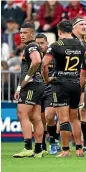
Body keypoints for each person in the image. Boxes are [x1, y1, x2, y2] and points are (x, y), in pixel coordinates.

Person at [42, 20, 86, 157]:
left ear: (59, 32)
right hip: (75, 83)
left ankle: (66, 150)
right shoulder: (81, 44)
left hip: (60, 83)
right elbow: (84, 67)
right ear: (71, 30)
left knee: (63, 119)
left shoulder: (56, 45)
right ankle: (79, 148)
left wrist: (47, 79)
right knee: (75, 118)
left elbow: (44, 64)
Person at [13, 22, 45, 158]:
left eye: (25, 33)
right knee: (35, 117)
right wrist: (20, 86)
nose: (22, 35)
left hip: (32, 85)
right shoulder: (33, 46)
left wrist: (26, 79)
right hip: (38, 84)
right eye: (20, 33)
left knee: (22, 114)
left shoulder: (31, 46)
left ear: (32, 34)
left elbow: (36, 61)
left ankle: (27, 147)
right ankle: (38, 150)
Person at [35, 33, 60, 155]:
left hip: (51, 89)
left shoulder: (54, 56)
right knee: (40, 120)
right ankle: (42, 145)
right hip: (37, 90)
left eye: (42, 43)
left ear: (46, 44)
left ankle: (53, 142)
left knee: (50, 116)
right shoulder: (33, 57)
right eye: (37, 43)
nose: (39, 46)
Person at [71, 17, 86, 150]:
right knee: (69, 113)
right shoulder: (70, 41)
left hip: (84, 79)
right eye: (81, 24)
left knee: (83, 110)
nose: (84, 26)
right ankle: (60, 141)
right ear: (74, 27)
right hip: (71, 80)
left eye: (85, 24)